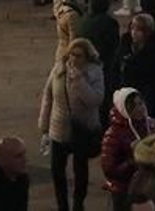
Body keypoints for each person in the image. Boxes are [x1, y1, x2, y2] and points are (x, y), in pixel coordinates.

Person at [39, 37, 105, 211]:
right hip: (59, 127)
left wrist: (80, 82)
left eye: (79, 56)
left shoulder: (95, 72)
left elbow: (95, 100)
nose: (74, 59)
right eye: (71, 55)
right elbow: (48, 95)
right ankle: (62, 205)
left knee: (80, 170)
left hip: (81, 129)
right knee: (57, 171)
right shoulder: (59, 69)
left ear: (87, 57)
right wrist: (44, 126)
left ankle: (78, 203)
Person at [101, 88, 155, 210]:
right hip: (123, 190)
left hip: (147, 187)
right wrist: (133, 159)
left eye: (140, 103)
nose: (139, 108)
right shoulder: (113, 134)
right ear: (124, 109)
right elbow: (109, 169)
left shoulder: (150, 126)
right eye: (133, 106)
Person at [119, 13, 155, 130]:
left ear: (147, 32)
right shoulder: (126, 44)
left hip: (150, 94)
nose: (134, 32)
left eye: (138, 29)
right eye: (132, 28)